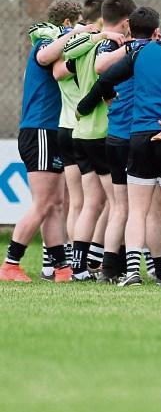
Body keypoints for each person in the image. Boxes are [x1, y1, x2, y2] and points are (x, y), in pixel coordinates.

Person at [80, 4, 161, 287]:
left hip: (137, 138)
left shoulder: (139, 52)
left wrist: (87, 105)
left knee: (136, 210)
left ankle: (133, 273)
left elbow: (106, 78)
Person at [0, 17, 95, 282]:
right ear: (67, 23)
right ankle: (10, 264)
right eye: (79, 24)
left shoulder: (67, 45)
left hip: (53, 130)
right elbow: (44, 58)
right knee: (43, 204)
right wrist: (78, 33)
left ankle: (62, 267)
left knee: (56, 204)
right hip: (39, 129)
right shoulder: (47, 40)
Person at [63, 0, 133, 280]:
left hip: (79, 133)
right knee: (119, 205)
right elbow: (103, 75)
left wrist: (94, 34)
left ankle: (78, 267)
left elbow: (66, 51)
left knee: (92, 202)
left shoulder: (85, 43)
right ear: (127, 23)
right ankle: (112, 266)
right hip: (103, 131)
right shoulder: (114, 46)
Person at [44, 0, 83, 280]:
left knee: (67, 201)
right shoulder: (55, 42)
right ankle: (70, 264)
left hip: (63, 128)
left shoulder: (58, 42)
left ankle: (60, 262)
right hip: (71, 128)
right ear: (69, 23)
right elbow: (53, 67)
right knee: (62, 201)